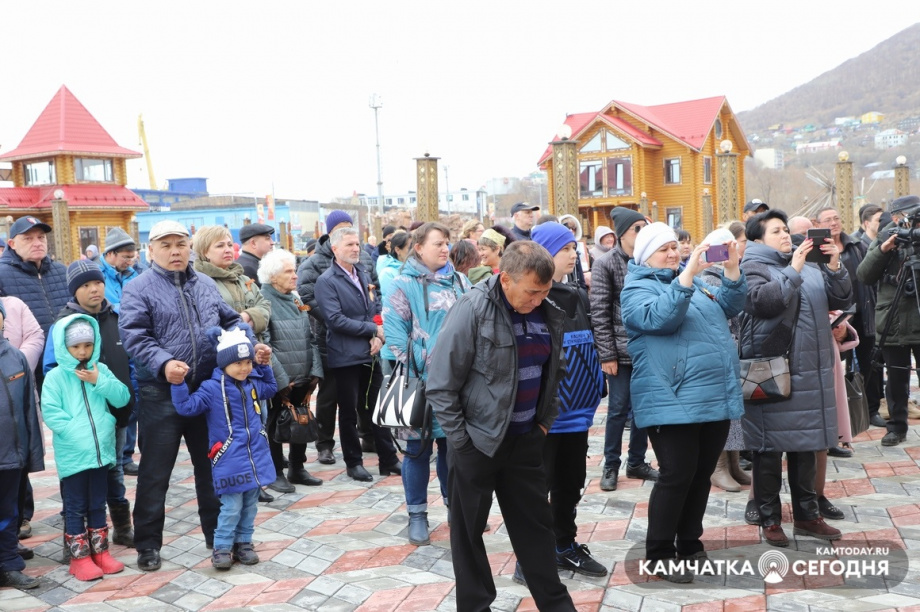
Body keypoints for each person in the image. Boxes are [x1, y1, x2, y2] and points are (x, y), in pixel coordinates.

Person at [427, 241, 575, 612]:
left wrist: (543, 423)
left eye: (545, 291)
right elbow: (441, 384)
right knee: (468, 533)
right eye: (532, 292)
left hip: (525, 441)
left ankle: (556, 606)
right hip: (477, 443)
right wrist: (462, 443)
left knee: (537, 530)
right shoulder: (472, 308)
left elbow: (552, 372)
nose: (539, 299)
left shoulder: (546, 310)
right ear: (505, 278)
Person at [119, 220, 271, 572]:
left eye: (181, 244)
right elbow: (134, 335)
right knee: (155, 473)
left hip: (209, 389)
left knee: (213, 468)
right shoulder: (138, 288)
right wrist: (164, 362)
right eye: (166, 245)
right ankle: (147, 545)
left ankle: (220, 540)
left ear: (190, 247)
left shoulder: (204, 283)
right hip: (162, 392)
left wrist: (250, 347)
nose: (175, 251)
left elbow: (233, 321)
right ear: (151, 250)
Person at [622, 222, 746, 583]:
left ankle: (690, 544)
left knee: (699, 476)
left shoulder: (697, 282)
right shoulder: (636, 289)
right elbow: (661, 318)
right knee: (676, 476)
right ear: (646, 256)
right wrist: (688, 274)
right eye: (665, 249)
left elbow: (731, 305)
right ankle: (659, 554)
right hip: (670, 397)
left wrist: (731, 268)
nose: (674, 254)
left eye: (676, 247)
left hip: (712, 395)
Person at [741, 209, 852, 547]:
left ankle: (808, 516)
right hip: (775, 370)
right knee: (769, 450)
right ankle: (770, 519)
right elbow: (764, 302)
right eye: (777, 231)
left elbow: (842, 299)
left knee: (807, 446)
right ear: (759, 238)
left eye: (786, 230)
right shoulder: (752, 267)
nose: (786, 236)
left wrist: (834, 267)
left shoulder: (812, 263)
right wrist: (794, 269)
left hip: (812, 370)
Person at [512, 222, 607, 581]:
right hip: (541, 416)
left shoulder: (574, 297)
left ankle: (564, 545)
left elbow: (591, 346)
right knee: (539, 486)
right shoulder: (528, 299)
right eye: (565, 248)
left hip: (578, 413)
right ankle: (530, 555)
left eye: (574, 248)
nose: (573, 253)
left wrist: (596, 386)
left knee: (571, 481)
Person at [383, 222, 469, 546]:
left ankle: (456, 510)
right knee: (417, 451)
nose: (445, 248)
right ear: (418, 247)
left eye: (447, 242)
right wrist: (434, 360)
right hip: (417, 383)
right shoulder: (401, 286)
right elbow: (395, 340)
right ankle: (416, 514)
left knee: (453, 448)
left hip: (458, 384)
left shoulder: (460, 281)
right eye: (438, 243)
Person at [44, 261, 137, 548]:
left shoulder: (117, 317)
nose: (94, 289)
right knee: (76, 483)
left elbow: (131, 361)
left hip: (113, 414)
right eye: (85, 285)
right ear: (74, 291)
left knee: (114, 474)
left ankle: (121, 527)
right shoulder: (63, 325)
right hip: (80, 422)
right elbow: (51, 370)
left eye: (96, 282)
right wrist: (71, 424)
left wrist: (129, 397)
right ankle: (74, 539)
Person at [171, 325, 277, 570]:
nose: (244, 368)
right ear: (224, 363)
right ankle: (222, 547)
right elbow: (186, 407)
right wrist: (178, 385)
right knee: (231, 506)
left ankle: (244, 543)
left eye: (248, 362)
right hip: (229, 459)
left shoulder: (252, 383)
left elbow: (271, 389)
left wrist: (263, 366)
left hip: (255, 456)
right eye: (238, 363)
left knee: (250, 504)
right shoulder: (211, 388)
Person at [42, 315, 130, 581]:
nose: (82, 351)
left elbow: (122, 396)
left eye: (87, 345)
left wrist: (97, 380)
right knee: (75, 505)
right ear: (63, 347)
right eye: (76, 346)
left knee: (96, 503)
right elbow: (51, 412)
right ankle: (79, 557)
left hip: (101, 451)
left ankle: (100, 553)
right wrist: (74, 433)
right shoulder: (56, 377)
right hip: (74, 455)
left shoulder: (99, 370)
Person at [0, 215, 69, 548]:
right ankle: (21, 513)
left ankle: (75, 504)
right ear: (11, 244)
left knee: (72, 436)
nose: (37, 242)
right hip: (19, 374)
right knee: (19, 444)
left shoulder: (61, 272)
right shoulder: (3, 275)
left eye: (41, 236)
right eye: (28, 237)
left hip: (65, 370)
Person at [192, 225, 274, 501]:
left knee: (256, 422)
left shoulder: (241, 276)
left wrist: (247, 317)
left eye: (229, 244)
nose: (228, 249)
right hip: (226, 367)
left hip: (250, 362)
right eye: (220, 246)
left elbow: (264, 306)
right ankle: (237, 480)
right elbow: (212, 322)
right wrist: (240, 322)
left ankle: (256, 476)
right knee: (231, 428)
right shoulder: (202, 281)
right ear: (204, 251)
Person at [313, 227, 401, 482]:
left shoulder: (361, 273)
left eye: (357, 245)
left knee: (376, 407)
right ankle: (354, 462)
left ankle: (388, 459)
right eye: (349, 244)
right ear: (335, 248)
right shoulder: (327, 281)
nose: (355, 249)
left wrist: (377, 335)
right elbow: (335, 320)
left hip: (368, 351)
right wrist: (372, 329)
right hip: (344, 356)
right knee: (349, 411)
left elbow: (373, 308)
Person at [298, 210, 381, 464]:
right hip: (330, 338)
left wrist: (374, 328)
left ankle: (368, 435)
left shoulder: (363, 258)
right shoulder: (314, 263)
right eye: (340, 228)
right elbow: (307, 300)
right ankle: (325, 443)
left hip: (365, 337)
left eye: (349, 228)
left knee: (366, 394)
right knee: (330, 395)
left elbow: (375, 293)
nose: (353, 243)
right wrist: (337, 319)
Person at [591, 206, 658, 491]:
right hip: (618, 352)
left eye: (645, 227)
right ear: (622, 235)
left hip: (647, 350)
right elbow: (599, 312)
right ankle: (610, 465)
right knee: (618, 410)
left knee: (644, 410)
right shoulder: (606, 263)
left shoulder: (648, 260)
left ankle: (637, 462)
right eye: (637, 229)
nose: (642, 234)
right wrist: (607, 355)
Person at [857, 195, 920, 446]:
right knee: (895, 379)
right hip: (893, 319)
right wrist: (883, 251)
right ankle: (896, 427)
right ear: (896, 218)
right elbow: (864, 275)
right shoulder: (885, 238)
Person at [259, 249, 324, 490]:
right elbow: (264, 343)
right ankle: (275, 472)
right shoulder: (262, 300)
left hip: (303, 374)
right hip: (280, 377)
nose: (295, 276)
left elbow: (310, 336)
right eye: (289, 272)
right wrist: (281, 379)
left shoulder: (296, 298)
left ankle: (297, 468)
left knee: (302, 420)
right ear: (273, 277)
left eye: (294, 270)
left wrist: (315, 372)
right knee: (275, 424)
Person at [815, 206, 882, 435]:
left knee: (869, 362)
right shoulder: (816, 250)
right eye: (828, 220)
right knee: (838, 368)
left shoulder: (855, 245)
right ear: (818, 224)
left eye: (836, 218)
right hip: (835, 318)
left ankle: (870, 409)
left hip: (862, 313)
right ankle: (840, 417)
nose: (833, 223)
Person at [701, 225, 752, 492]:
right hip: (716, 352)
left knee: (734, 412)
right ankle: (717, 467)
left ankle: (733, 463)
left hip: (732, 350)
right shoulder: (707, 277)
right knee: (722, 412)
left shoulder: (730, 274)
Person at [0, 301, 44, 590]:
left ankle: (7, 563)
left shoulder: (14, 357)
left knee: (8, 512)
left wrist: (32, 455)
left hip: (10, 455)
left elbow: (29, 409)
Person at [378, 230, 412, 374]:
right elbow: (390, 309)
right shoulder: (388, 273)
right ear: (397, 249)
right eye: (409, 248)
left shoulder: (412, 269)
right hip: (396, 342)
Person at [99, 227, 139, 314]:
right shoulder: (96, 275)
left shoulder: (132, 274)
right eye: (126, 257)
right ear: (110, 253)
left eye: (132, 258)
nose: (129, 263)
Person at [558, 214, 590, 288]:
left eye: (574, 228)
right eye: (568, 227)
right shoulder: (558, 250)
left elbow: (581, 276)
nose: (571, 231)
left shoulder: (579, 249)